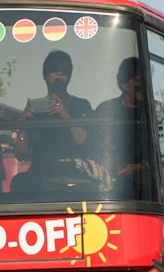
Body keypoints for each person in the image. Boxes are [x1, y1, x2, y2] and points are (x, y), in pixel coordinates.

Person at [13, 49, 100, 193]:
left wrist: (65, 114)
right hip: (40, 175)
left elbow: (87, 144)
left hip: (73, 172)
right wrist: (24, 125)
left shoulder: (81, 105)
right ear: (45, 76)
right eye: (54, 70)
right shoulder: (36, 109)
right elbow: (21, 154)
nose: (60, 74)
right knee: (19, 183)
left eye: (64, 71)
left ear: (70, 75)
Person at [95, 56, 149, 195]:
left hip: (145, 186)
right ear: (124, 85)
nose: (143, 87)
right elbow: (95, 142)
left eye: (146, 81)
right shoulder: (105, 109)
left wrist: (140, 167)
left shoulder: (156, 111)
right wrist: (108, 168)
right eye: (138, 83)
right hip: (107, 181)